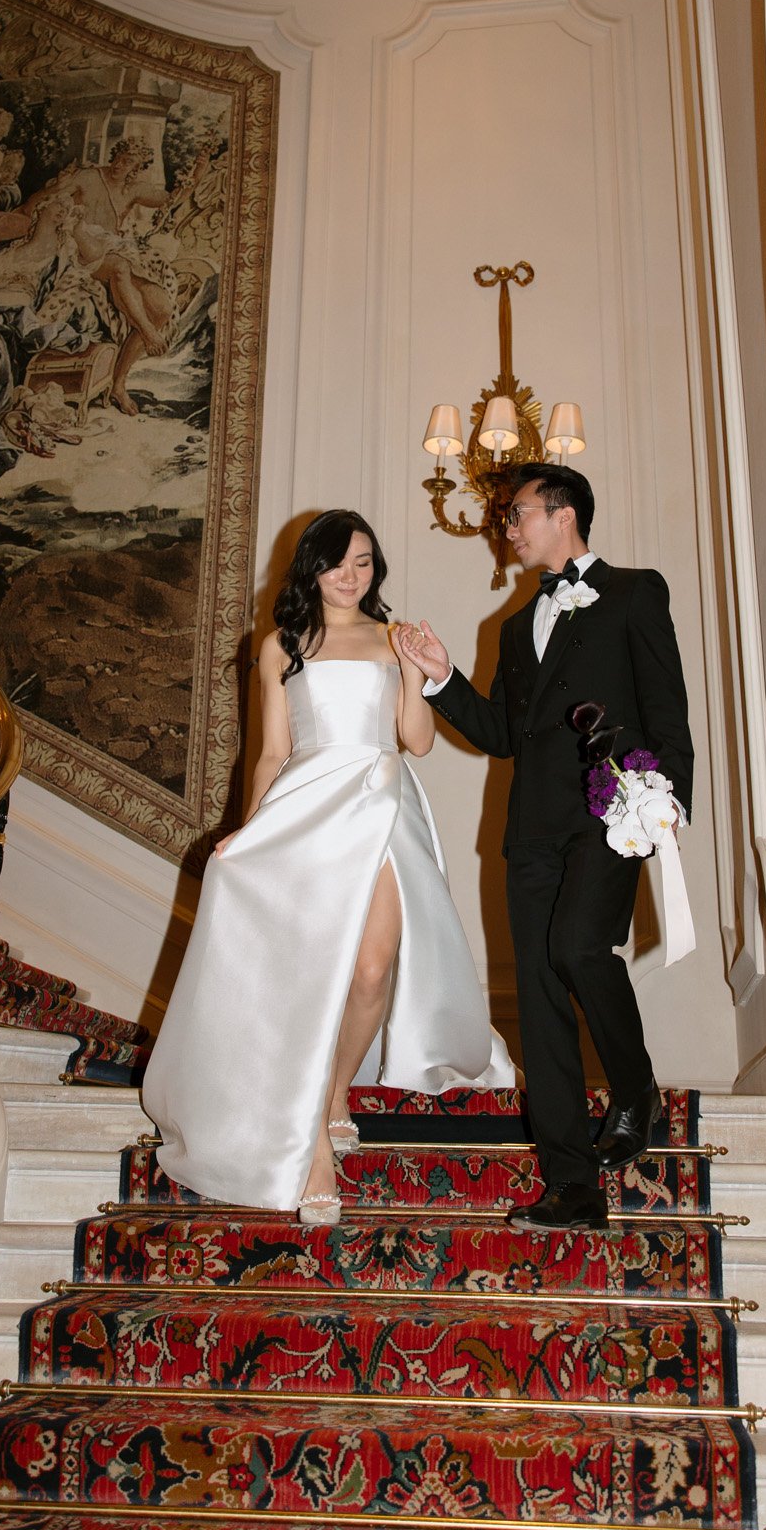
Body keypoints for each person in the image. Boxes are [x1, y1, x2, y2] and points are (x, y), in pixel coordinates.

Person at [143, 509, 513, 1226]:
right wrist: (248, 830)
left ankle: (335, 1088)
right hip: (305, 813)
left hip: (384, 805)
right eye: (338, 562)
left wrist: (415, 674)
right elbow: (271, 753)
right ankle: (312, 1140)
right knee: (309, 979)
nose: (351, 576)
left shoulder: (392, 637)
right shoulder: (280, 644)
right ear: (311, 568)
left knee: (373, 969)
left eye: (364, 563)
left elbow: (416, 742)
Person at [397, 464, 693, 1235]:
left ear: (562, 514)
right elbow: (501, 734)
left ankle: (634, 1085)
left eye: (517, 513)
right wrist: (441, 680)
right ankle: (571, 1187)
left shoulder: (634, 592)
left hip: (611, 812)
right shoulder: (510, 626)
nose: (507, 528)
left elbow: (666, 706)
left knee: (577, 948)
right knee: (536, 995)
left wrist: (666, 803)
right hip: (530, 829)